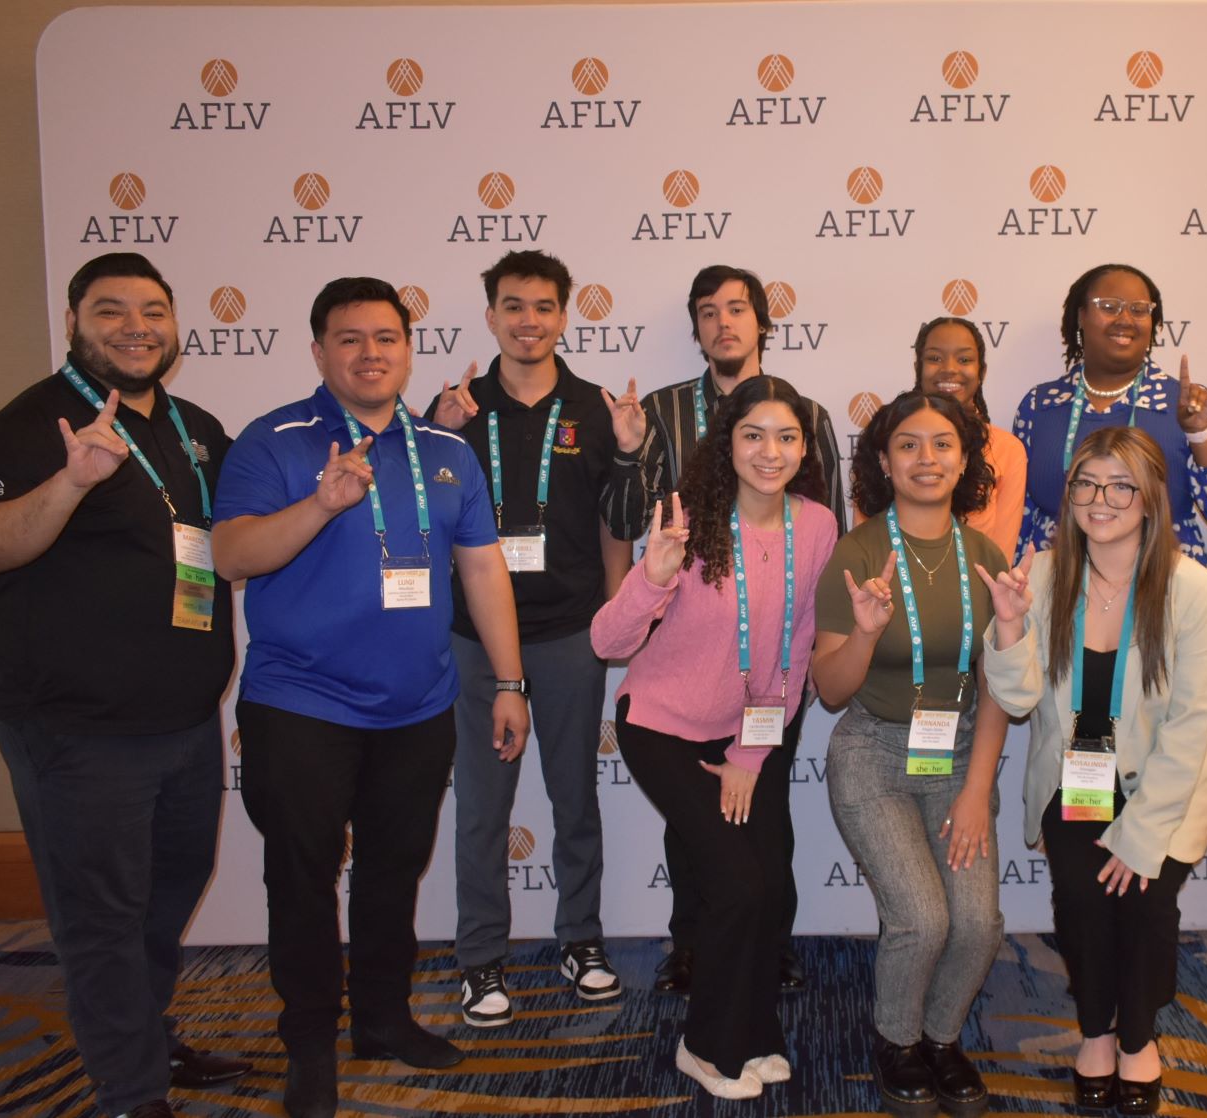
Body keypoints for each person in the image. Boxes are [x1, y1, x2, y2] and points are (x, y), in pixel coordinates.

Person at [211, 277, 529, 1118]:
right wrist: (320, 504)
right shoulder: (273, 441)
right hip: (302, 706)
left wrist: (508, 681)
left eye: (386, 337)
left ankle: (382, 1020)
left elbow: (483, 568)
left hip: (418, 706)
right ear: (318, 351)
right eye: (349, 338)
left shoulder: (448, 452)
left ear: (408, 348)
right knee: (304, 877)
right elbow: (233, 556)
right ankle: (310, 1041)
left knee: (394, 870)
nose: (370, 353)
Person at [0, 253, 249, 1118]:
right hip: (77, 730)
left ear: (175, 325)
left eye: (152, 310)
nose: (135, 327)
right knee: (101, 917)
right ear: (73, 322)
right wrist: (70, 482)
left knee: (164, 895)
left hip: (186, 719)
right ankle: (129, 1091)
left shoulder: (196, 426)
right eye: (110, 310)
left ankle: (141, 1035)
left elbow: (225, 543)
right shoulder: (29, 424)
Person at [592, 377, 838, 1099]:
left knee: (768, 886)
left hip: (749, 731)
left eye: (787, 437)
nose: (770, 451)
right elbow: (609, 639)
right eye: (753, 435)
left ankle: (755, 1033)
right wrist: (652, 575)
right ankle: (704, 1046)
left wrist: (748, 756)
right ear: (726, 442)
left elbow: (793, 650)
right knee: (735, 884)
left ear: (805, 446)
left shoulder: (817, 526)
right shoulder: (689, 518)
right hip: (662, 724)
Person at [979, 427, 1207, 1116]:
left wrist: (1142, 833)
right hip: (1077, 775)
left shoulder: (1192, 589)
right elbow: (1019, 698)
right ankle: (1096, 1030)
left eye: (1120, 485)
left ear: (1149, 499)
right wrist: (1007, 628)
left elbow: (1189, 724)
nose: (1101, 499)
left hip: (1167, 783)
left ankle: (1139, 1040)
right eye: (1087, 484)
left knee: (1146, 903)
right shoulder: (1047, 573)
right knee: (1085, 904)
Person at [424, 250, 644, 1026]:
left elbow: (624, 523)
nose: (528, 321)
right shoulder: (454, 408)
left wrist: (625, 451)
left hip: (567, 635)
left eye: (544, 307)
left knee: (574, 800)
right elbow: (421, 518)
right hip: (474, 640)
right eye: (513, 307)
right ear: (490, 316)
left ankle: (580, 940)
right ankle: (481, 959)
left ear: (563, 316)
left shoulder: (591, 406)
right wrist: (433, 437)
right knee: (483, 807)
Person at [635, 263, 844, 996]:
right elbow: (633, 522)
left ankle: (770, 944)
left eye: (738, 310)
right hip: (694, 661)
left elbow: (829, 526)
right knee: (694, 823)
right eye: (708, 312)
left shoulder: (807, 413)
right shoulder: (661, 411)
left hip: (775, 668)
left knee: (767, 811)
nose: (724, 323)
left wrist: (815, 647)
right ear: (695, 329)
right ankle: (691, 946)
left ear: (762, 321)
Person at [814, 391, 1009, 1118]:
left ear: (965, 461)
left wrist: (975, 792)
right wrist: (865, 632)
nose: (926, 459)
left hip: (959, 758)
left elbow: (998, 690)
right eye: (908, 445)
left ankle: (943, 1037)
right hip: (872, 752)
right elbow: (830, 690)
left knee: (979, 922)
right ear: (884, 462)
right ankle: (896, 1040)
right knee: (923, 918)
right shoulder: (859, 550)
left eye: (942, 445)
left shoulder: (986, 558)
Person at [1012, 263, 1207, 564]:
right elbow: (1018, 516)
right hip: (1058, 581)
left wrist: (1200, 434)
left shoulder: (1188, 403)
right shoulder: (1041, 405)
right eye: (1109, 307)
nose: (1125, 319)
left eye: (1139, 309)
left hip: (1157, 583)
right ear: (1080, 316)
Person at [908, 315, 1025, 559]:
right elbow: (870, 543)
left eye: (964, 359)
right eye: (934, 358)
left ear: (981, 371)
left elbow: (999, 558)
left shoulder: (1007, 450)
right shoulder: (889, 439)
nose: (949, 369)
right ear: (918, 367)